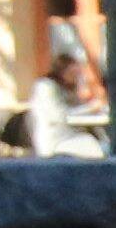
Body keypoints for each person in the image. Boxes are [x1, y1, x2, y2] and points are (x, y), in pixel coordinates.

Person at [30, 13, 109, 159]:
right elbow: (60, 116)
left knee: (101, 141)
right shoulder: (46, 88)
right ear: (63, 71)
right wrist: (89, 108)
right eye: (73, 74)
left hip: (71, 135)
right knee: (97, 148)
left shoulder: (68, 87)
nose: (76, 78)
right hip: (56, 140)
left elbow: (76, 109)